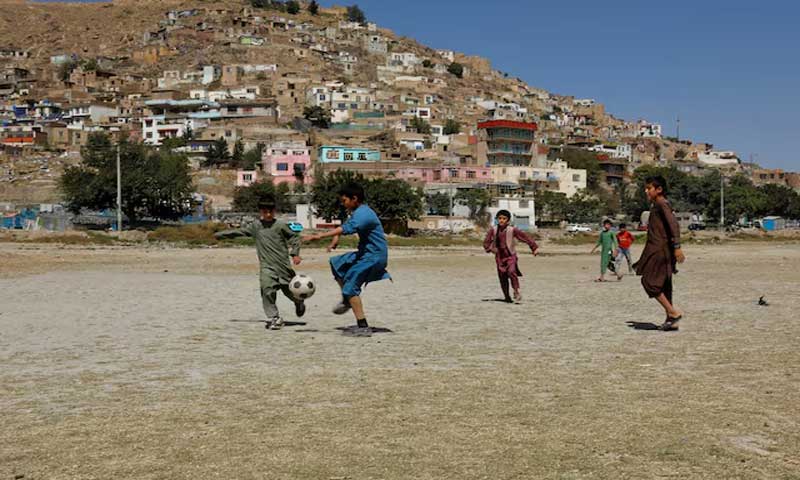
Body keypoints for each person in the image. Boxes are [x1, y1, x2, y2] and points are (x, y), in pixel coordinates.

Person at [301, 182, 390, 337]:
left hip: (374, 256)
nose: (343, 204)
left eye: (344, 200)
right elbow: (345, 226)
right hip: (365, 253)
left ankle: (363, 326)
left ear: (354, 198)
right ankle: (347, 300)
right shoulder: (358, 211)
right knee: (337, 263)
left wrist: (318, 236)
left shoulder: (364, 214)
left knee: (350, 286)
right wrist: (335, 239)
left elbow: (347, 228)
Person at [214, 195, 305, 330]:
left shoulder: (280, 226)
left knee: (290, 291)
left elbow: (295, 237)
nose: (268, 214)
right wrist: (220, 235)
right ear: (260, 212)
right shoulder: (256, 226)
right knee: (267, 289)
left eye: (270, 212)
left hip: (283, 266)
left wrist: (295, 254)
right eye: (265, 212)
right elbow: (240, 232)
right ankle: (275, 317)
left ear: (274, 211)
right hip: (267, 267)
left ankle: (298, 302)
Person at [634, 175, 686, 331]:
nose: (646, 191)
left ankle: (673, 313)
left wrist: (677, 247)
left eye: (649, 188)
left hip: (660, 250)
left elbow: (674, 225)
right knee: (664, 285)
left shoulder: (662, 204)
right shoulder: (656, 205)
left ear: (659, 189)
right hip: (659, 249)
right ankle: (671, 320)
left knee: (649, 282)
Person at [483, 210, 539, 303]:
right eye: (500, 218)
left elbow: (525, 237)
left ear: (508, 220)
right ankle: (506, 296)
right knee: (502, 276)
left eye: (504, 218)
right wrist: (490, 249)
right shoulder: (493, 230)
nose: (501, 220)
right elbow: (486, 242)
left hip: (510, 255)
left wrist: (534, 248)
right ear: (497, 219)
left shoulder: (512, 230)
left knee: (512, 271)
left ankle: (516, 291)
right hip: (499, 257)